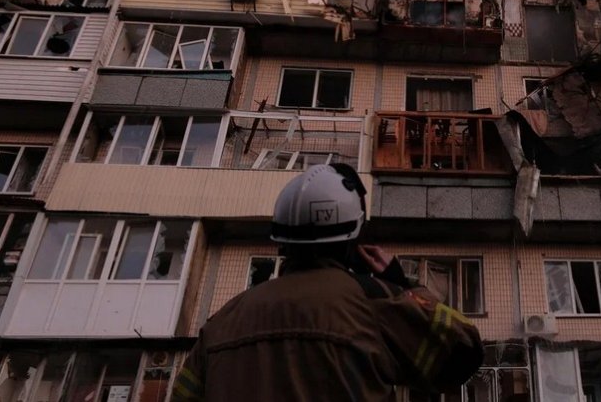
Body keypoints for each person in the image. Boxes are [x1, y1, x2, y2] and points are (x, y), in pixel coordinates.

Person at [172, 163, 484, 401]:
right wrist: (400, 282)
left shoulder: (222, 322)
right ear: (353, 237)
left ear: (282, 239)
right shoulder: (374, 303)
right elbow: (464, 352)